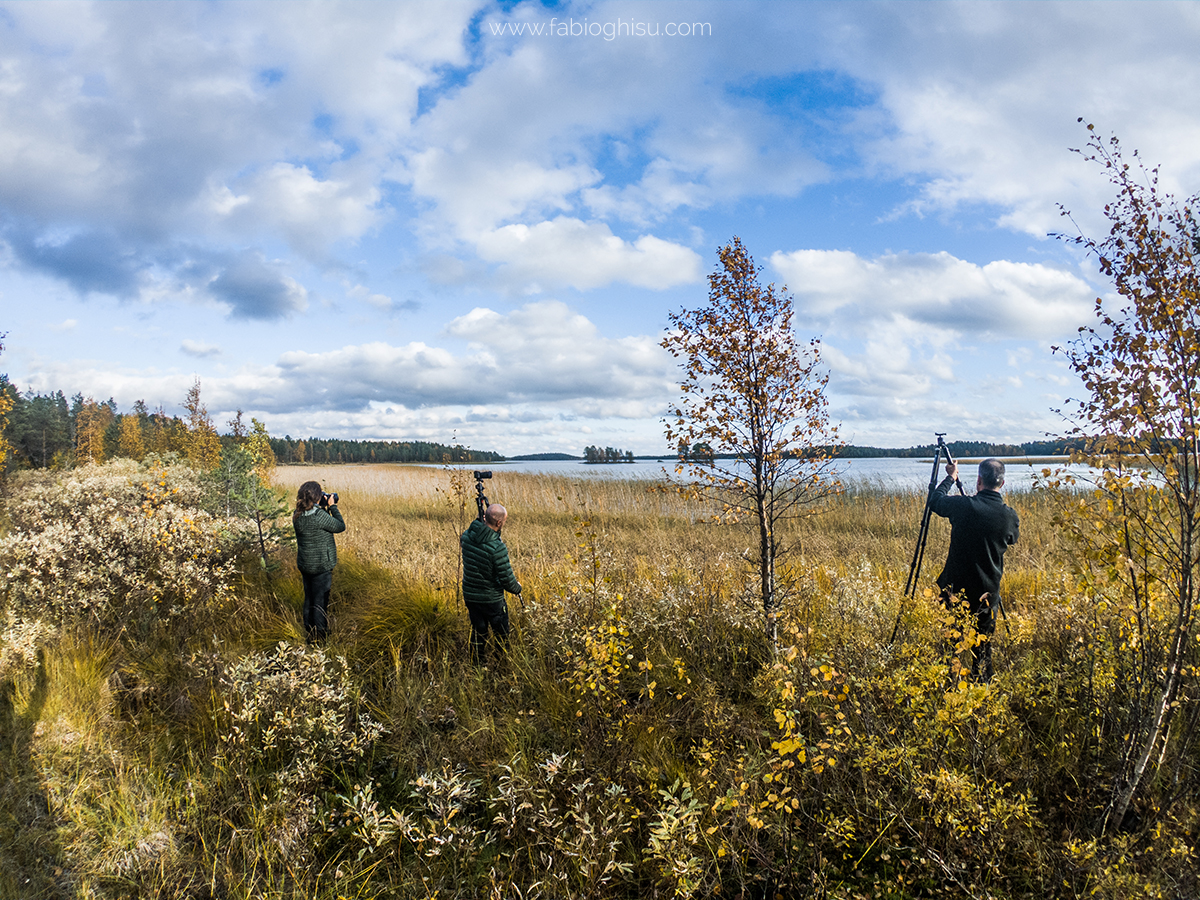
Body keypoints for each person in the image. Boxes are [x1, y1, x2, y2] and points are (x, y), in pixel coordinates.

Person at [929, 457, 1020, 682]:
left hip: (954, 590)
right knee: (983, 650)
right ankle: (982, 693)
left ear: (979, 480)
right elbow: (1011, 539)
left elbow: (935, 501)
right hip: (987, 593)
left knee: (951, 646)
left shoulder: (963, 506)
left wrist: (951, 477)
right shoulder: (1009, 516)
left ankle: (950, 690)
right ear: (1003, 483)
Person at [460, 502, 521, 663]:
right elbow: (508, 580)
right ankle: (502, 664)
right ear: (499, 523)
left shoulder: (466, 537)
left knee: (478, 632)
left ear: (484, 517)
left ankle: (477, 665)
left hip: (471, 597)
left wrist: (482, 515)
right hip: (491, 599)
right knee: (501, 634)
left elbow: (475, 530)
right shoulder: (497, 548)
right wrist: (517, 588)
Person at [293, 480, 346, 643]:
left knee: (309, 598)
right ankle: (321, 638)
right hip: (321, 565)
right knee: (320, 601)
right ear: (317, 496)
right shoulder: (319, 516)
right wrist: (332, 506)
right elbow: (340, 526)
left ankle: (309, 632)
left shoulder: (297, 514)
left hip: (305, 564)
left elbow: (313, 520)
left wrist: (320, 505)